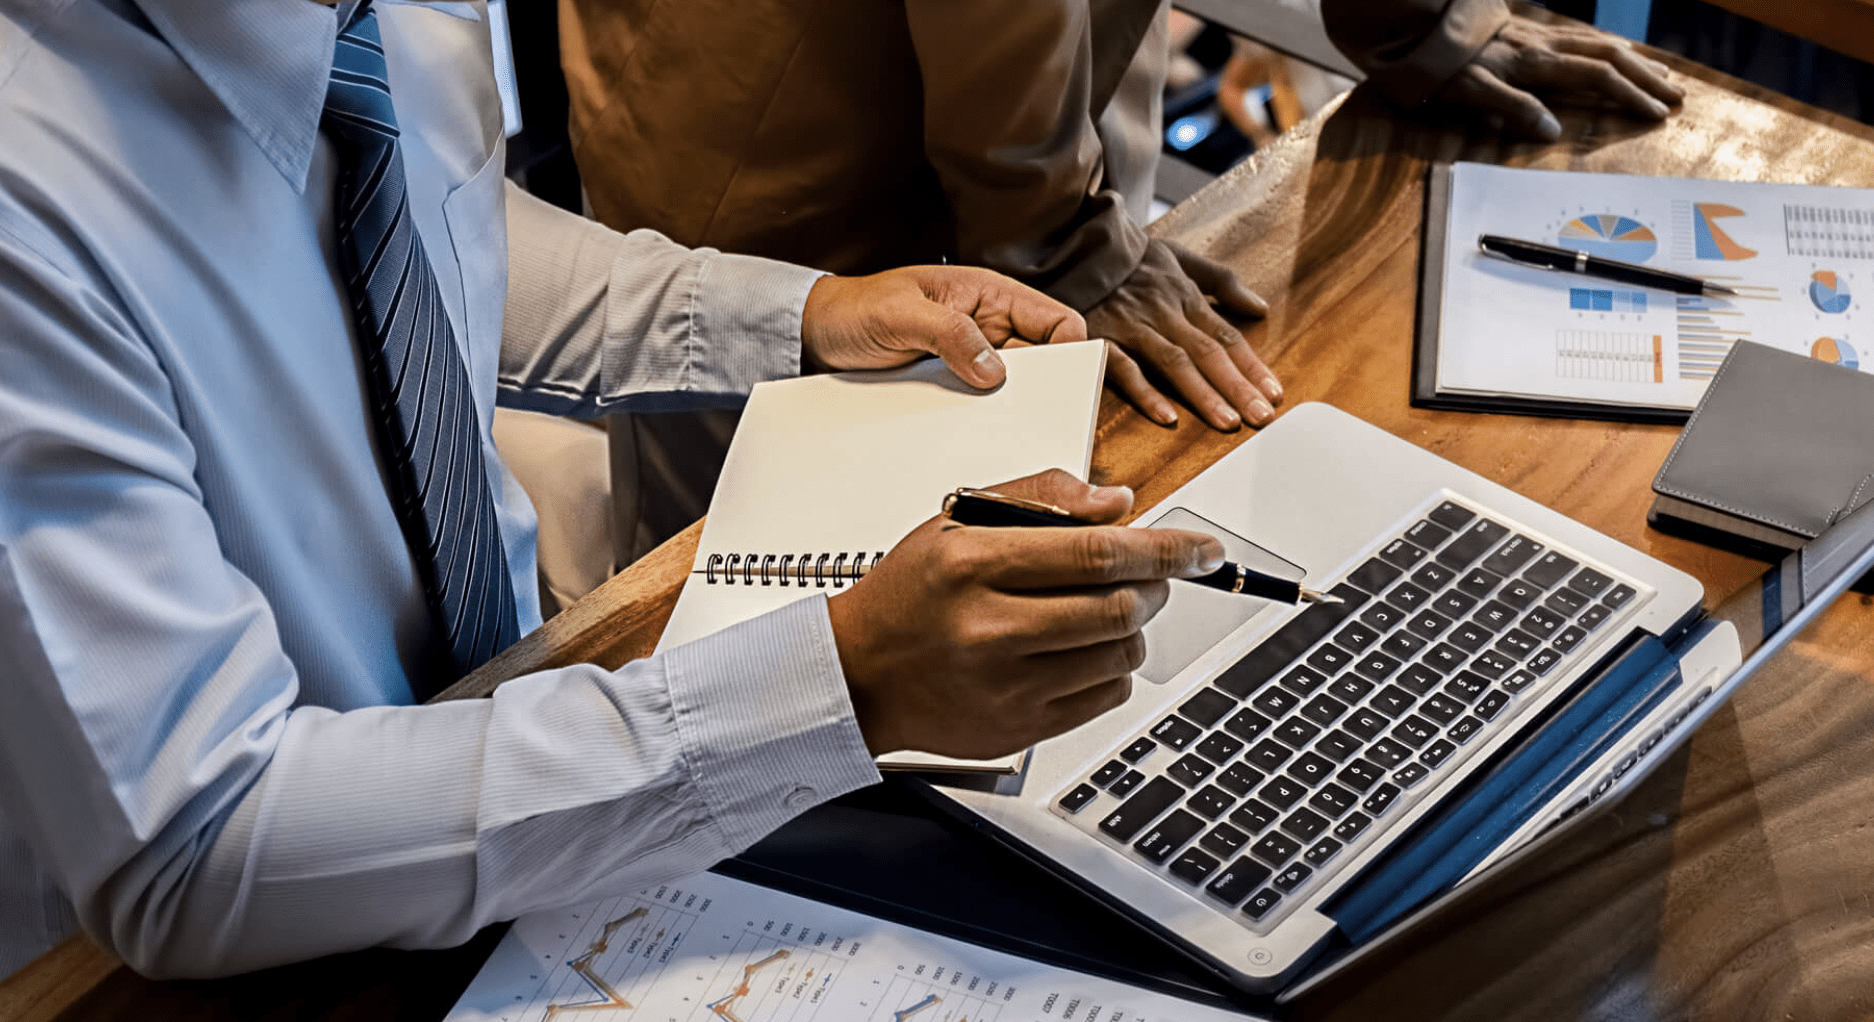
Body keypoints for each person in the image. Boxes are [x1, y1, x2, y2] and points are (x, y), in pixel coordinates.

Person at [0, 0, 1226, 980]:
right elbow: (196, 847)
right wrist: (843, 677)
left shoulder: (355, 22)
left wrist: (789, 311)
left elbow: (425, 214)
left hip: (523, 735)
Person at [561, 0, 1686, 557]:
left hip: (1049, 94)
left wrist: (1408, 14)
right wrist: (1058, 236)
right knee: (752, 556)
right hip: (778, 111)